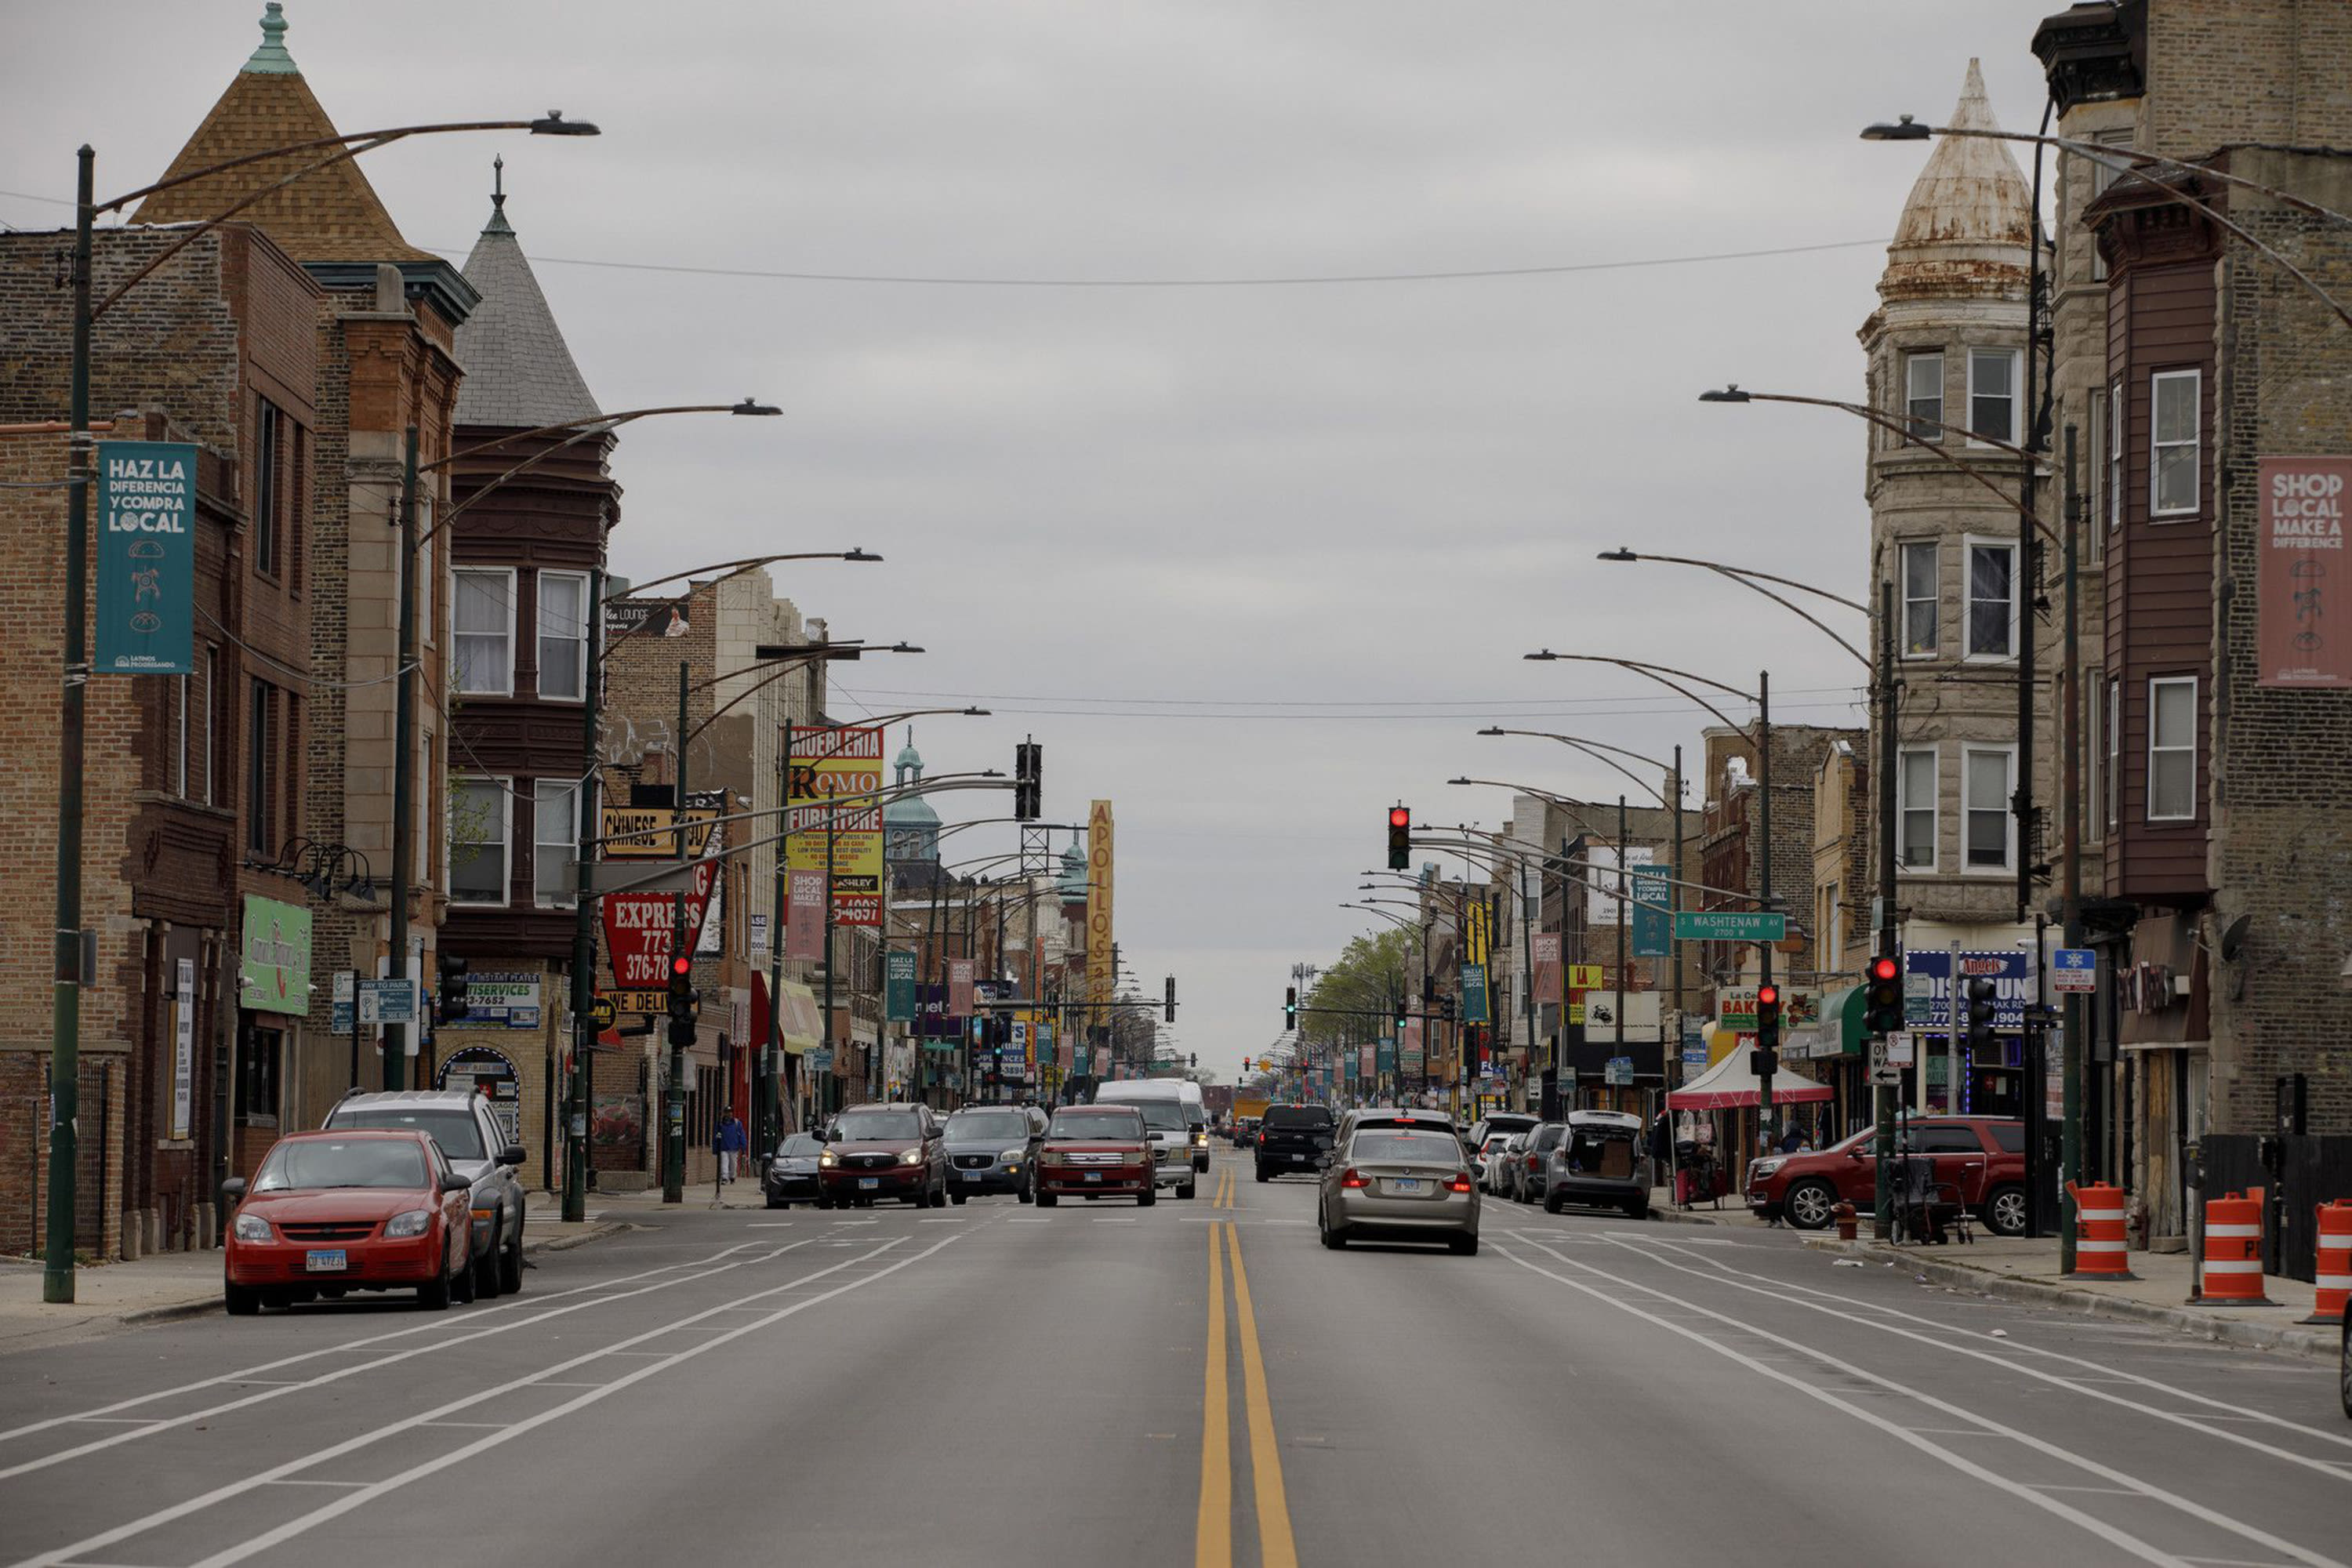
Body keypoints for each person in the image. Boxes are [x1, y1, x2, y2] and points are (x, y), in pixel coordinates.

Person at [716, 1112, 746, 1183]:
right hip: (724, 1147)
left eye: (730, 1112)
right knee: (724, 1162)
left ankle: (732, 1176)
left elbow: (741, 1135)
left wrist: (743, 1147)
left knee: (733, 1163)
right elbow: (716, 1135)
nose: (729, 1114)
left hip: (734, 1148)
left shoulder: (737, 1123)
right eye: (727, 1112)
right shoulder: (720, 1124)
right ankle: (724, 1177)